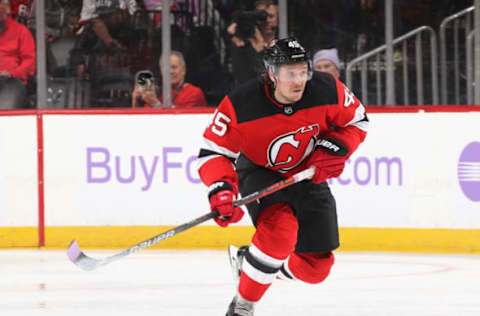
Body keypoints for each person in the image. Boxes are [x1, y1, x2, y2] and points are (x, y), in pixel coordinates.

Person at [196, 37, 368, 315]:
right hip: (261, 172)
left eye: (303, 71)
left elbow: (357, 121)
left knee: (316, 267)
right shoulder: (241, 102)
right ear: (272, 73)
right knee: (279, 233)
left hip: (307, 175)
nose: (299, 80)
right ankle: (242, 305)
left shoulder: (327, 90)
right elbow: (213, 151)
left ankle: (250, 264)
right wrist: (220, 188)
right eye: (290, 74)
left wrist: (336, 147)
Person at [131, 50, 207, 108]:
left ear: (183, 70)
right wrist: (136, 101)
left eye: (174, 67)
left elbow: (183, 122)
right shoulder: (157, 92)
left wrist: (155, 104)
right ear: (161, 71)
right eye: (166, 68)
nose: (170, 71)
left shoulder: (194, 93)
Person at [227, 0, 278, 84]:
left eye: (271, 16)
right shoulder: (244, 45)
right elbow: (243, 79)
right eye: (261, 17)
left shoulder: (283, 42)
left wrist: (261, 50)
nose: (266, 21)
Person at [0, 0, 35, 109]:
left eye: (2, 4)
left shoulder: (21, 31)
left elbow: (30, 62)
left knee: (5, 112)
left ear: (8, 9)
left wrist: (12, 73)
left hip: (11, 81)